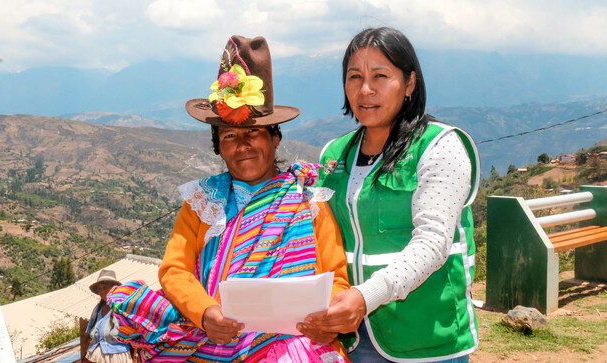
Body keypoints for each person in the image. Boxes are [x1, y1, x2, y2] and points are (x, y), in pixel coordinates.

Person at [106, 35, 350, 362]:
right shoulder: (203, 203)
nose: (243, 145)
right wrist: (206, 313)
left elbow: (335, 278)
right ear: (218, 147)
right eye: (230, 136)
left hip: (294, 346)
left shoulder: (306, 199)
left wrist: (328, 320)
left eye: (254, 133)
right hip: (213, 339)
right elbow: (175, 270)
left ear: (275, 138)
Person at [298, 27, 481, 362]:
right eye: (354, 77)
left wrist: (364, 297)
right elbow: (321, 238)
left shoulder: (440, 146)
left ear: (409, 83)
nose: (365, 90)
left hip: (426, 336)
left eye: (380, 76)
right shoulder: (334, 155)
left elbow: (433, 242)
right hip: (352, 336)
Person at [84, 269, 133, 363]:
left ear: (114, 288)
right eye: (99, 289)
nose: (102, 292)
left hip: (116, 357)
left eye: (105, 287)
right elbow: (89, 333)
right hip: (94, 356)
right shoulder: (97, 309)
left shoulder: (122, 308)